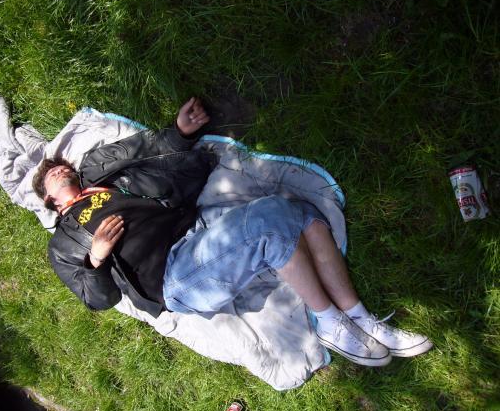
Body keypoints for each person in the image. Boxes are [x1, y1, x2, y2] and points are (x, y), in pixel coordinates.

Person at [33, 97, 433, 367]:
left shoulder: (98, 169)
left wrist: (180, 131)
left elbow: (143, 149)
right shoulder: (63, 243)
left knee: (301, 212)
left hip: (195, 231)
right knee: (271, 224)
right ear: (49, 200)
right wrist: (97, 258)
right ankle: (328, 322)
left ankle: (360, 317)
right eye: (50, 174)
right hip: (175, 278)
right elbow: (98, 299)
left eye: (61, 165)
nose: (59, 168)